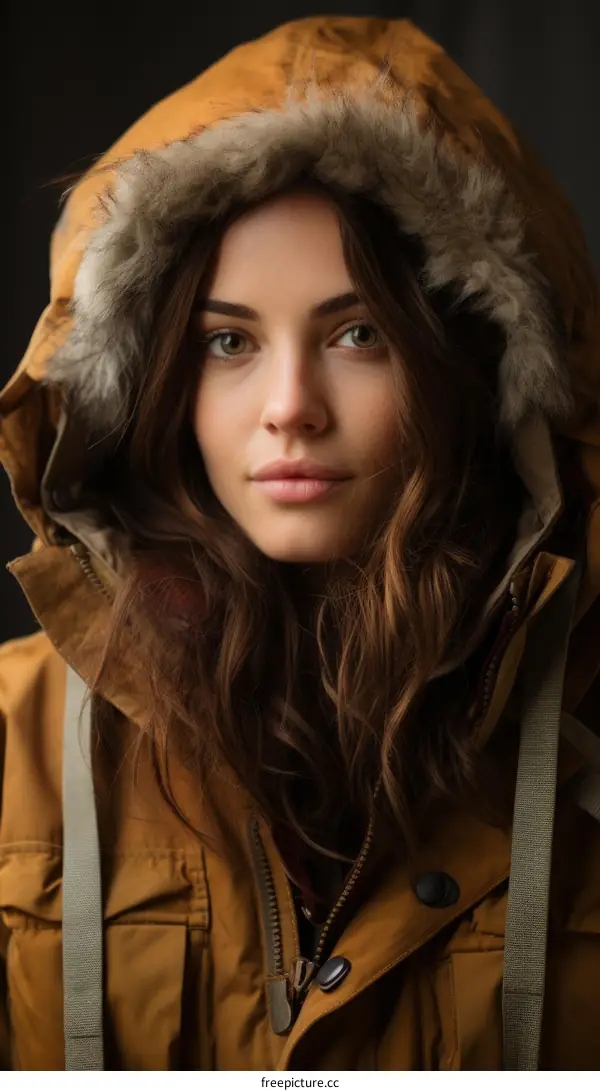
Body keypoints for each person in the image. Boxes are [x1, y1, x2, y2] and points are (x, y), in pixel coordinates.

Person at [0, 14, 599, 1073]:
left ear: (471, 365)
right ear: (153, 382)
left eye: (358, 333)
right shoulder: (12, 742)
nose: (290, 407)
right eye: (227, 341)